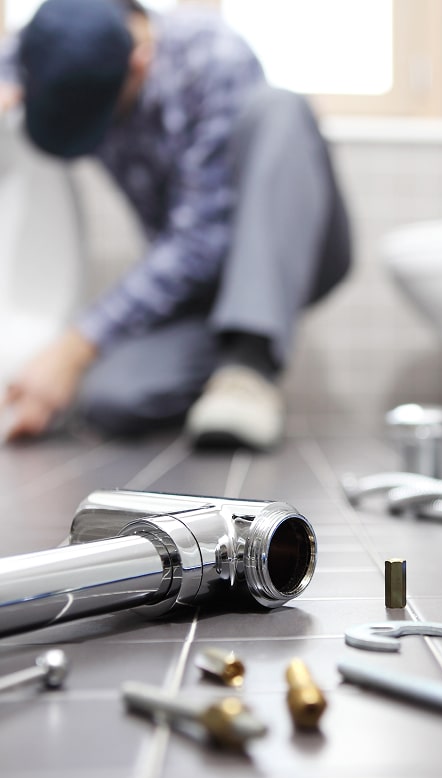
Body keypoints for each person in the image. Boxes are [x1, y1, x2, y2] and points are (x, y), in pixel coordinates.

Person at [0, 0, 351, 449]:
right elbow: (23, 49)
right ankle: (221, 373)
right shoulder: (64, 46)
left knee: (278, 108)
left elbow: (200, 240)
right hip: (199, 291)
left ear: (139, 60)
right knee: (110, 398)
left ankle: (248, 368)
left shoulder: (212, 56)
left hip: (289, 243)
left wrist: (72, 348)